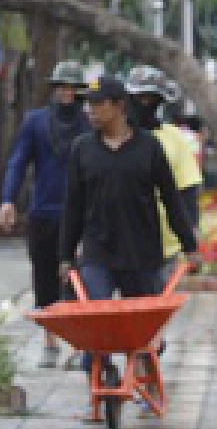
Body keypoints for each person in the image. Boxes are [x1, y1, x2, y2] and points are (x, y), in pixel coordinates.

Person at [61, 75, 199, 301]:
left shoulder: (149, 147)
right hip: (97, 255)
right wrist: (66, 256)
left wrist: (189, 246)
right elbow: (73, 206)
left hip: (141, 255)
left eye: (98, 103)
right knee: (97, 316)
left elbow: (171, 200)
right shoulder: (82, 149)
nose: (90, 110)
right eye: (88, 103)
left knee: (142, 320)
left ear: (119, 105)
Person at [0, 60, 90, 368]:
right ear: (54, 89)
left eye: (73, 88)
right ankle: (50, 342)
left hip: (79, 213)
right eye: (62, 87)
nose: (67, 93)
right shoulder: (36, 122)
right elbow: (18, 161)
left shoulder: (89, 123)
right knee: (45, 277)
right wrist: (8, 200)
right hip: (44, 211)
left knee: (78, 279)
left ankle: (78, 345)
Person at [126, 66, 203, 281]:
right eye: (140, 97)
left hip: (165, 245)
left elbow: (188, 188)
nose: (145, 104)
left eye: (151, 98)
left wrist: (192, 231)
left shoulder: (174, 139)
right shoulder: (115, 138)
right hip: (119, 244)